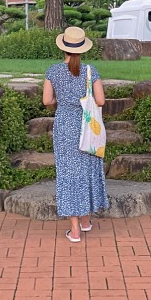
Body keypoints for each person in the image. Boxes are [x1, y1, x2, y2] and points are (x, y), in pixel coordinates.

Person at [42, 26, 109, 242]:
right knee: (87, 170)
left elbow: (46, 101)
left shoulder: (52, 71)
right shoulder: (91, 70)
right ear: (82, 48)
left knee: (68, 174)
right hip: (88, 126)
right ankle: (87, 221)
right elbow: (100, 101)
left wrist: (58, 102)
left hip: (64, 126)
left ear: (63, 47)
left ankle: (75, 229)